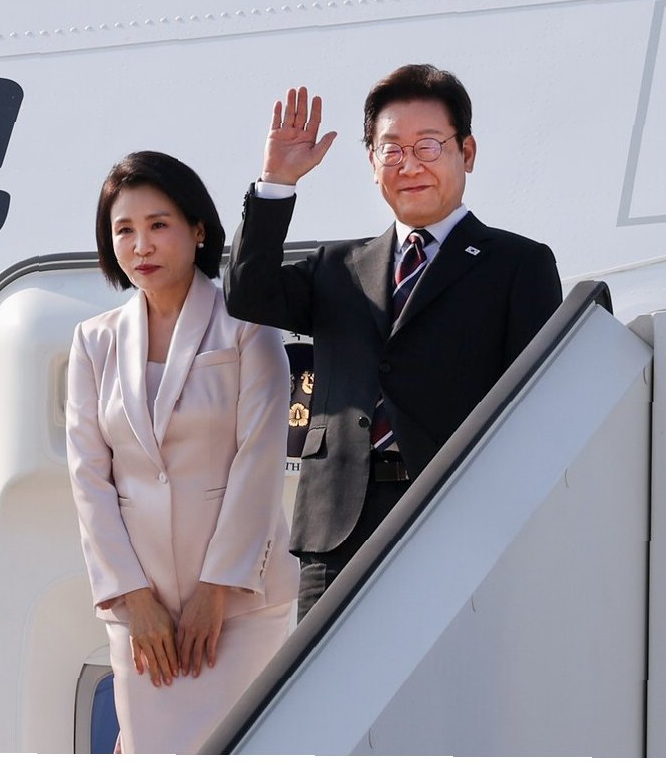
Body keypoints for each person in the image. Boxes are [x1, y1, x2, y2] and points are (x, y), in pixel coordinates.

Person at [225, 64, 563, 620]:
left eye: (428, 145)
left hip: (456, 521)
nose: (409, 165)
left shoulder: (518, 264)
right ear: (372, 162)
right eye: (392, 149)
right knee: (328, 674)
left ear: (467, 152)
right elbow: (247, 294)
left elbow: (535, 407)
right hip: (337, 532)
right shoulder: (338, 266)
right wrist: (277, 182)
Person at [66, 151, 298, 753]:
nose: (141, 244)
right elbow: (89, 478)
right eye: (124, 229)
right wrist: (132, 597)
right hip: (144, 617)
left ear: (198, 230)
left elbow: (259, 459)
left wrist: (216, 587)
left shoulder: (246, 324)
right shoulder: (93, 341)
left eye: (158, 225)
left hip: (241, 606)